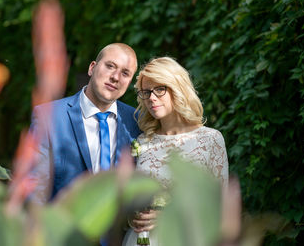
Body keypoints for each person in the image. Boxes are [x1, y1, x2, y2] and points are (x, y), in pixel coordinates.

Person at [123, 57, 229, 246]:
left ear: (177, 88)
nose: (152, 98)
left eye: (160, 89)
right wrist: (132, 217)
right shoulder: (142, 141)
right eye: (146, 92)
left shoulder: (210, 139)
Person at [28, 43, 141, 204]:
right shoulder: (49, 117)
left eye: (125, 73)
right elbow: (36, 185)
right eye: (110, 66)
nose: (115, 77)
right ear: (92, 68)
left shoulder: (137, 121)